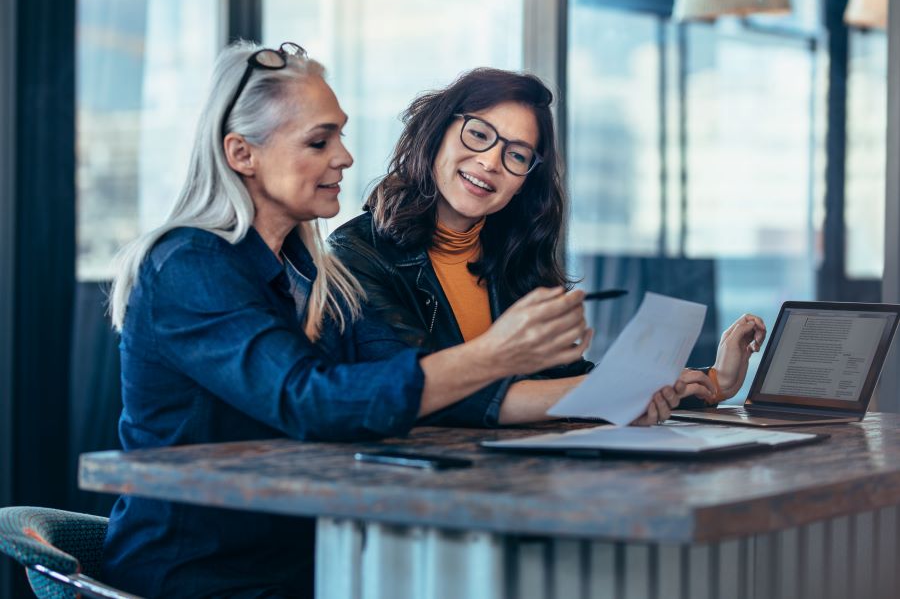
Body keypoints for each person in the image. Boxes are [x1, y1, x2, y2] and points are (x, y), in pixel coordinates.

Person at [101, 44, 602, 598]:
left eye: (339, 135)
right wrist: (496, 354)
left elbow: (401, 382)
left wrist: (620, 390)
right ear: (242, 154)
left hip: (312, 562)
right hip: (205, 575)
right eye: (319, 141)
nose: (344, 157)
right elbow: (309, 400)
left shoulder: (313, 272)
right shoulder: (188, 266)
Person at [329, 68, 766, 426]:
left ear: (524, 182)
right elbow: (426, 392)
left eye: (517, 155)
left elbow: (565, 380)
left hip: (514, 479)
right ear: (437, 132)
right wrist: (616, 393)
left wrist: (714, 381)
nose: (490, 162)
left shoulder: (512, 257)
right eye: (478, 134)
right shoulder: (355, 255)